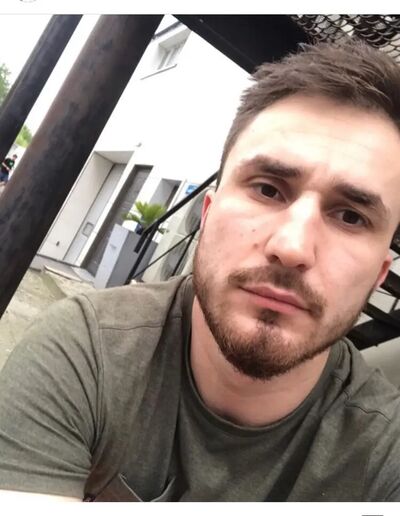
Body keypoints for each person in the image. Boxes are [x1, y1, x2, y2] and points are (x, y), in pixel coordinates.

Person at [1, 39, 400, 502]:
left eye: (351, 216)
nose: (292, 247)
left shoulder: (384, 453)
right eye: (268, 189)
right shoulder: (86, 350)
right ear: (206, 214)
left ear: (379, 274)